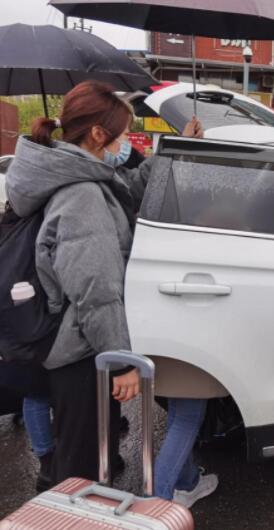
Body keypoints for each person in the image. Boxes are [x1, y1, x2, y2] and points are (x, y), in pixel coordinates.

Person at [4, 81, 208, 492]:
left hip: (61, 341)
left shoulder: (72, 176)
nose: (122, 143)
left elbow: (127, 191)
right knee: (81, 473)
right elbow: (95, 291)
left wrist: (175, 148)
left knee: (79, 458)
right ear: (98, 134)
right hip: (79, 352)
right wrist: (122, 361)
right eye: (119, 133)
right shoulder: (82, 196)